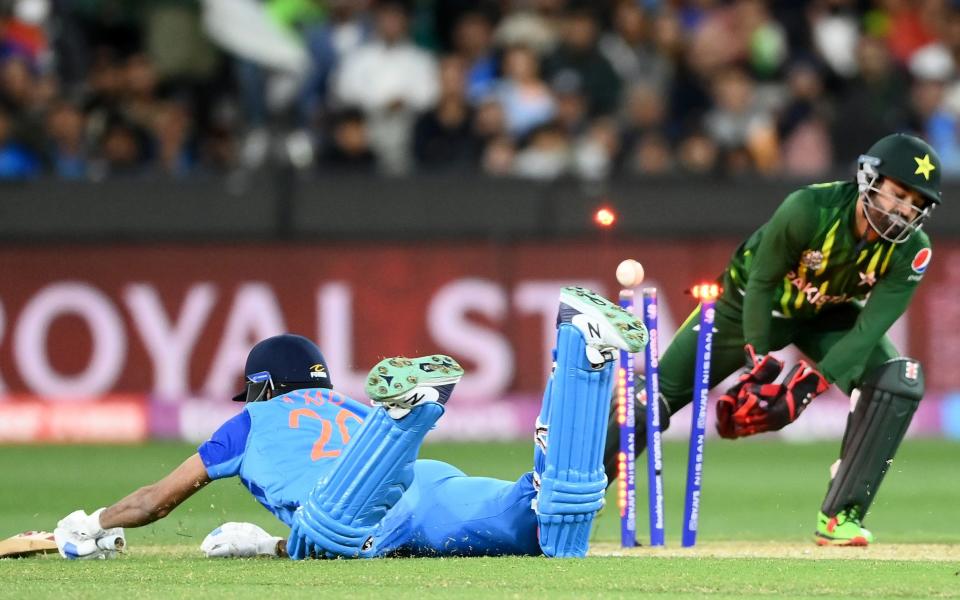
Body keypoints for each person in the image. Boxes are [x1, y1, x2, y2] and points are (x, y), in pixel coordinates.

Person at [54, 287, 647, 560]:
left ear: (259, 388)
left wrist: (92, 522)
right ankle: (579, 347)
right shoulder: (346, 405)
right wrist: (268, 545)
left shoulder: (249, 421)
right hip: (430, 486)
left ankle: (409, 417)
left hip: (353, 505)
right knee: (547, 528)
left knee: (329, 535)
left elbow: (156, 501)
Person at [604, 132, 940, 546]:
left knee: (899, 380)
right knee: (647, 402)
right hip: (744, 305)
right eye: (897, 194)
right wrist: (756, 360)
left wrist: (814, 383)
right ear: (869, 179)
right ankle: (570, 505)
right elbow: (761, 280)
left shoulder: (913, 251)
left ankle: (840, 517)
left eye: (916, 203)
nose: (904, 211)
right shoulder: (809, 208)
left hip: (824, 314)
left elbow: (869, 329)